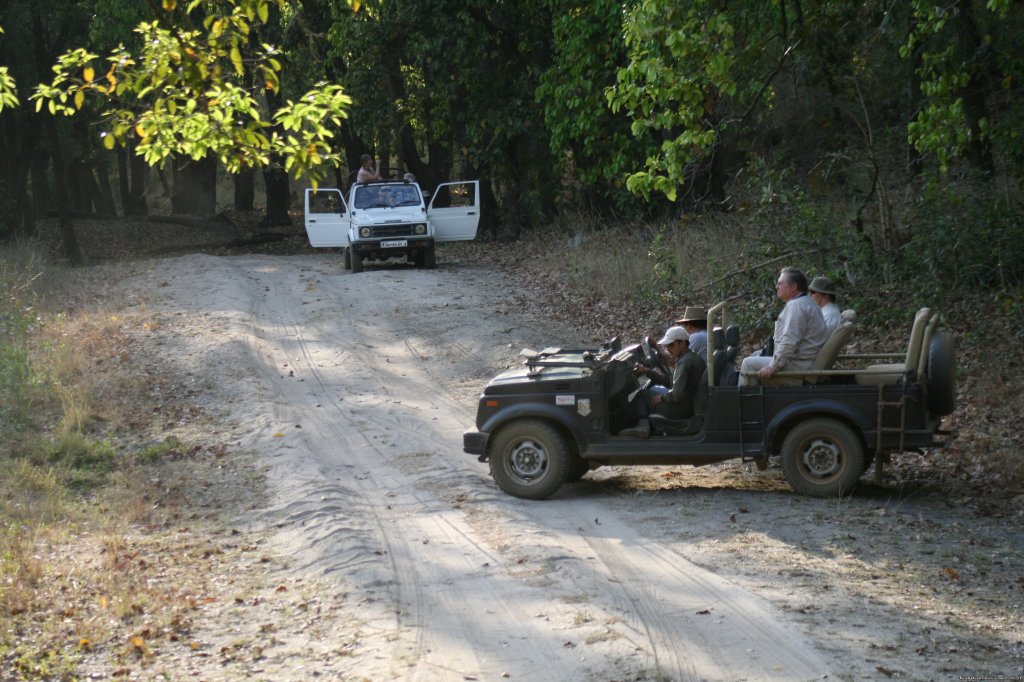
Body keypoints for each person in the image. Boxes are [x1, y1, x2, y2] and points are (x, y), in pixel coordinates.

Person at [738, 267, 829, 387]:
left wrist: (773, 366)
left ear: (794, 287)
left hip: (800, 364)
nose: (776, 286)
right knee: (756, 355)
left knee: (748, 363)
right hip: (804, 360)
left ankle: (747, 403)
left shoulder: (797, 306)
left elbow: (789, 341)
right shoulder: (806, 302)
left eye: (780, 283)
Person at [621, 326, 706, 438]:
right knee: (647, 393)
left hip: (680, 410)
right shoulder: (691, 358)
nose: (669, 349)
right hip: (687, 405)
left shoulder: (685, 363)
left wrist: (661, 398)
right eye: (667, 346)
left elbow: (677, 394)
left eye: (671, 345)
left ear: (682, 343)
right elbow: (672, 382)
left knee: (642, 395)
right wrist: (648, 371)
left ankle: (642, 427)